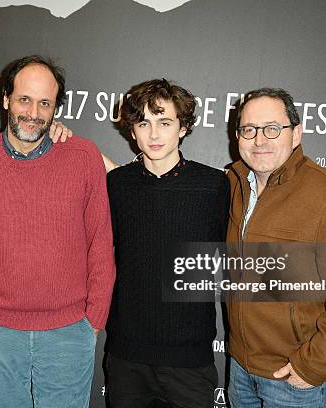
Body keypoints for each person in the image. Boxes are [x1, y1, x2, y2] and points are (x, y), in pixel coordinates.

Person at [0, 55, 116, 408]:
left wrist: (93, 320)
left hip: (70, 331)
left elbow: (101, 241)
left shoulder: (83, 156)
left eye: (44, 103)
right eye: (24, 99)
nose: (33, 112)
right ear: (5, 99)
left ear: (56, 109)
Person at [226, 87, 326, 408]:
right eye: (248, 130)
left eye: (272, 129)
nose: (259, 140)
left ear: (296, 135)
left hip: (293, 378)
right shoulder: (233, 184)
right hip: (240, 367)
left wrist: (313, 366)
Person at [104, 79, 229, 408]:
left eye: (164, 122)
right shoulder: (116, 184)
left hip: (189, 359)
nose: (154, 134)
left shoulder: (214, 185)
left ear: (183, 128)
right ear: (132, 130)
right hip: (126, 357)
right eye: (144, 123)